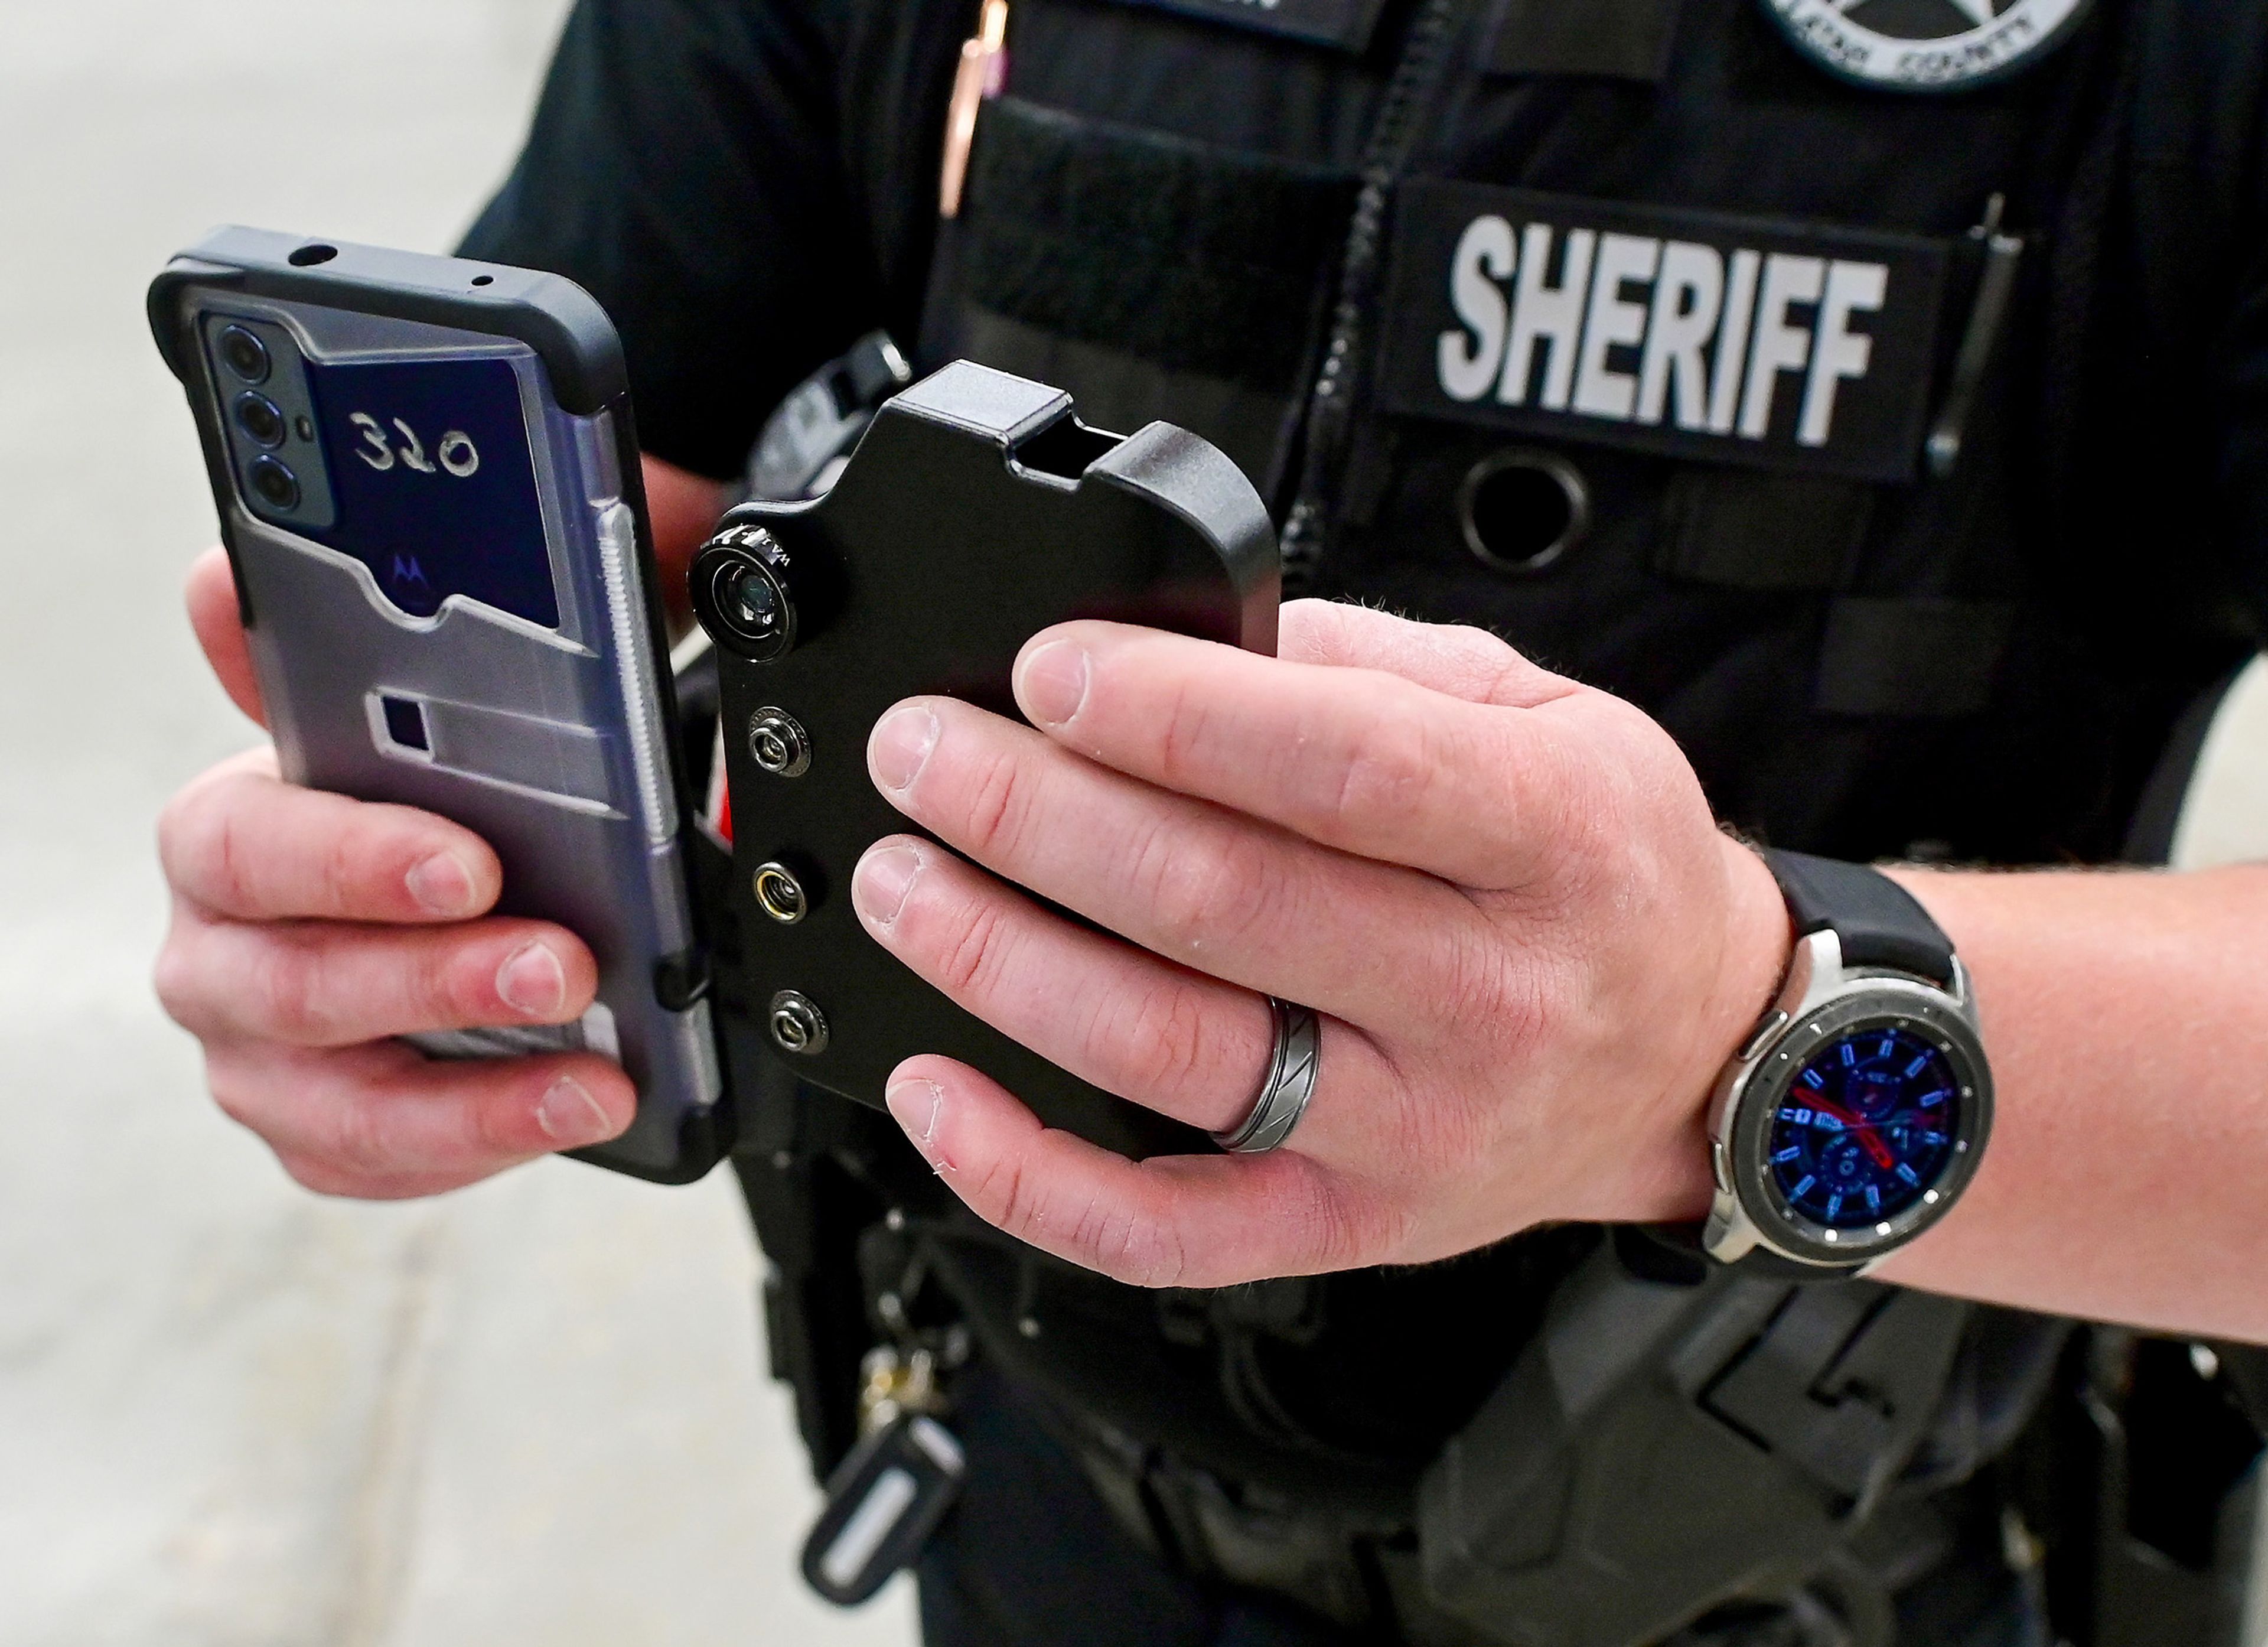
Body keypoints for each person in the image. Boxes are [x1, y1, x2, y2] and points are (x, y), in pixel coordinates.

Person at [154, 0, 2268, 1642]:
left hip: (1825, 1552)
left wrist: (1729, 1041)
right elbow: (638, 515)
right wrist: (429, 896)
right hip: (1032, 1502)